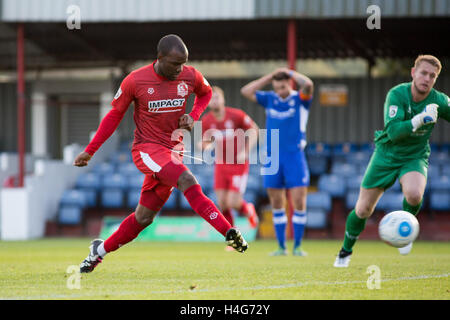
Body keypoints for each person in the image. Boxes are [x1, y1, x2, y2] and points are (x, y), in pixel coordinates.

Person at [74, 34, 248, 274]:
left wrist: (194, 115)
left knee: (143, 218)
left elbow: (205, 93)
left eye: (183, 64)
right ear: (160, 58)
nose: (180, 69)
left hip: (172, 153)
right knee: (187, 180)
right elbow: (114, 116)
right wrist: (90, 151)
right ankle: (228, 232)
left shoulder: (190, 75)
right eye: (175, 64)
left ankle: (98, 252)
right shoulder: (135, 81)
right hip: (146, 149)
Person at [334, 55, 450, 268]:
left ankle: (405, 231)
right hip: (386, 155)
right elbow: (394, 132)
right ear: (413, 73)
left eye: (432, 76)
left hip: (414, 156)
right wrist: (419, 119)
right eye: (423, 73)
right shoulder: (396, 94)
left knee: (415, 195)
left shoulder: (439, 101)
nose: (427, 78)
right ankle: (345, 251)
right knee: (362, 210)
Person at [241, 67, 314, 256]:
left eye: (282, 87)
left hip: (294, 155)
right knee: (276, 202)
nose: (280, 91)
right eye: (277, 88)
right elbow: (246, 91)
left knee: (298, 201)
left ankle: (297, 246)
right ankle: (281, 247)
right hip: (272, 156)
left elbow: (308, 84)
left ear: (289, 84)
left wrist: (289, 72)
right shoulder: (270, 99)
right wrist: (269, 77)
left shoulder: (300, 99)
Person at [198, 86, 260, 238]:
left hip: (238, 164)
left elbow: (254, 129)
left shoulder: (236, 115)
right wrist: (205, 146)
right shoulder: (207, 121)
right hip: (220, 164)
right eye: (211, 98)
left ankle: (248, 209)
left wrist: (245, 151)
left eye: (217, 97)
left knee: (233, 202)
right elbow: (204, 142)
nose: (214, 101)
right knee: (223, 203)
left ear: (223, 99)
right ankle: (234, 236)